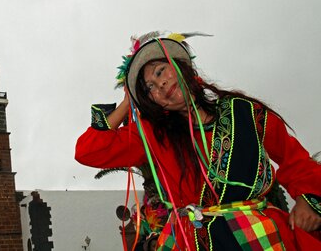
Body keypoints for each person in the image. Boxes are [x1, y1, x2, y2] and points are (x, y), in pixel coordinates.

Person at [75, 31, 321, 250]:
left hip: (255, 236)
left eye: (161, 71)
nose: (159, 84)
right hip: (187, 240)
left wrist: (308, 200)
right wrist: (129, 102)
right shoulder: (154, 135)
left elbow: (294, 159)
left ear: (182, 68)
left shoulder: (244, 112)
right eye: (149, 88)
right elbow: (88, 152)